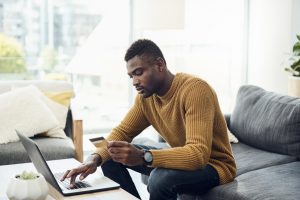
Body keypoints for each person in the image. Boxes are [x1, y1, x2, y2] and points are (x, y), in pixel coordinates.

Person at [61, 39, 236, 200]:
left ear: (160, 64)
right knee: (114, 154)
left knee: (160, 178)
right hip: (186, 157)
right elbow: (122, 132)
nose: (134, 82)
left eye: (139, 73)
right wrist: (94, 158)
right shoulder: (146, 99)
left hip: (215, 166)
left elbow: (198, 155)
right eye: (131, 76)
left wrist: (144, 156)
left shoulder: (195, 90)